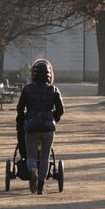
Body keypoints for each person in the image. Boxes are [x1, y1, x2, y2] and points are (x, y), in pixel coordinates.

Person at [16, 59, 65, 195]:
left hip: (31, 125)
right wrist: (53, 118)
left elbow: (20, 108)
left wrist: (25, 118)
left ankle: (32, 170)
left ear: (34, 75)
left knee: (31, 155)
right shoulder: (53, 89)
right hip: (48, 127)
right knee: (45, 157)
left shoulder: (27, 89)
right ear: (49, 75)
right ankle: (41, 187)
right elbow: (61, 110)